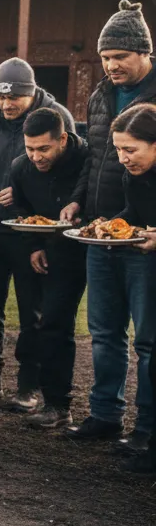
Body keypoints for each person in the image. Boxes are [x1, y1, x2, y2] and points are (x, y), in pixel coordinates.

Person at [64, 1, 156, 451]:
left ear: (145, 52)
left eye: (120, 56)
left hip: (147, 236)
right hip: (102, 229)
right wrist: (79, 201)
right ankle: (105, 413)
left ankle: (147, 428)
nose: (112, 65)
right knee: (104, 332)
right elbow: (94, 156)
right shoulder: (100, 95)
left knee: (149, 341)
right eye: (105, 57)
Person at [0, 58, 74, 410]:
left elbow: (68, 174)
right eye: (1, 97)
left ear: (32, 92)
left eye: (15, 99)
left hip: (33, 232)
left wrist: (25, 196)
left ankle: (28, 386)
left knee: (32, 312)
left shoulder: (55, 117)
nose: (7, 105)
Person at [8, 108, 89, 429]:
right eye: (30, 149)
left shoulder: (86, 160)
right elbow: (20, 208)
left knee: (57, 322)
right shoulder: (20, 168)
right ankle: (40, 395)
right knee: (37, 322)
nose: (36, 156)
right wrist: (35, 246)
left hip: (78, 251)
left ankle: (59, 404)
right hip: (41, 251)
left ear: (63, 140)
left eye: (44, 149)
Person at [110, 104, 156, 473]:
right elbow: (134, 215)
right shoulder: (134, 177)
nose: (123, 158)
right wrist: (109, 224)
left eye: (131, 149)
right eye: (118, 149)